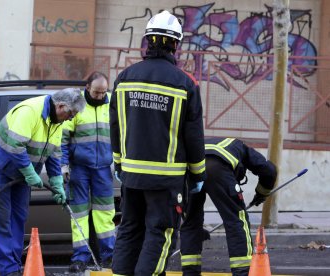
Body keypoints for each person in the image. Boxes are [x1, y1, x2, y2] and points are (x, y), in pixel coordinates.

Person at [109, 10, 206, 275]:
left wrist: (118, 163)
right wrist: (198, 175)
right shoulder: (186, 84)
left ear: (148, 40)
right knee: (159, 234)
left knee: (129, 230)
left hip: (131, 176)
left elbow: (115, 126)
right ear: (176, 44)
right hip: (166, 180)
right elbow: (194, 135)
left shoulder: (124, 78)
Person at [0, 88, 86, 276]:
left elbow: (54, 152)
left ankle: (15, 265)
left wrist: (56, 183)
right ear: (60, 105)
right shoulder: (30, 111)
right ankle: (9, 270)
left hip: (22, 170)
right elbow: (14, 145)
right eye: (71, 113)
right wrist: (30, 172)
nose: (71, 118)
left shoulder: (56, 120)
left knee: (19, 217)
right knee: (2, 219)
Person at [180, 137, 278, 276]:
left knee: (190, 223)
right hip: (217, 168)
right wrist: (261, 193)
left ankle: (190, 272)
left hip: (190, 169)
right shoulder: (242, 148)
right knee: (236, 219)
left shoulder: (211, 143)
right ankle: (242, 271)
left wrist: (197, 231)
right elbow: (269, 171)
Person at [61, 71, 116, 272]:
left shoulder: (111, 105)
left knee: (105, 214)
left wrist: (117, 163)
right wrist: (64, 165)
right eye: (96, 92)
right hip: (80, 169)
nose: (100, 96)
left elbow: (119, 135)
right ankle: (80, 258)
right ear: (87, 88)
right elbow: (64, 139)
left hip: (103, 169)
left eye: (103, 92)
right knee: (80, 214)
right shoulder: (77, 106)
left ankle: (109, 256)